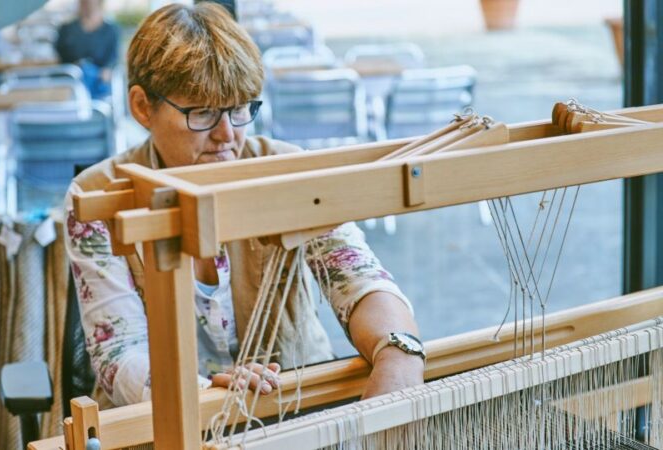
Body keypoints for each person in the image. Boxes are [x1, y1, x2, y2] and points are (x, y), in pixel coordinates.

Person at [64, 3, 424, 407]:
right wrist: (208, 394)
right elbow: (119, 353)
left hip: (292, 404)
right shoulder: (96, 197)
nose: (226, 135)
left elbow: (356, 275)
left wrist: (399, 352)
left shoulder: (287, 170)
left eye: (239, 110)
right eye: (202, 113)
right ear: (143, 107)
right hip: (164, 419)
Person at [55, 0, 119, 99]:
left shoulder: (110, 30)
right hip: (74, 75)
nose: (88, 6)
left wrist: (107, 70)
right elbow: (61, 54)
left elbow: (113, 58)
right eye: (85, 2)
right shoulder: (67, 29)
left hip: (99, 78)